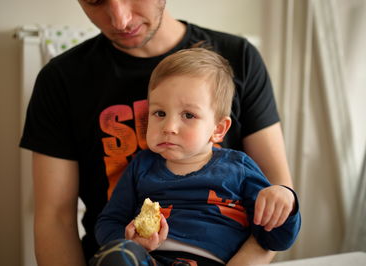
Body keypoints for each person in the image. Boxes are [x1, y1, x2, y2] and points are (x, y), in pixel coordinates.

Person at [20, 0, 296, 265]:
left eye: (189, 115)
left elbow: (276, 202)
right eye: (95, 1)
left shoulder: (240, 58)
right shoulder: (61, 80)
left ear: (219, 128)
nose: (120, 19)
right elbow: (55, 218)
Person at [92, 48, 301, 266]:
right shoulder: (142, 166)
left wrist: (286, 201)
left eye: (189, 115)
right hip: (151, 259)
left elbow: (274, 238)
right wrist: (129, 241)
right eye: (160, 113)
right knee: (116, 256)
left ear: (218, 129)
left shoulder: (239, 168)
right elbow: (109, 222)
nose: (169, 127)